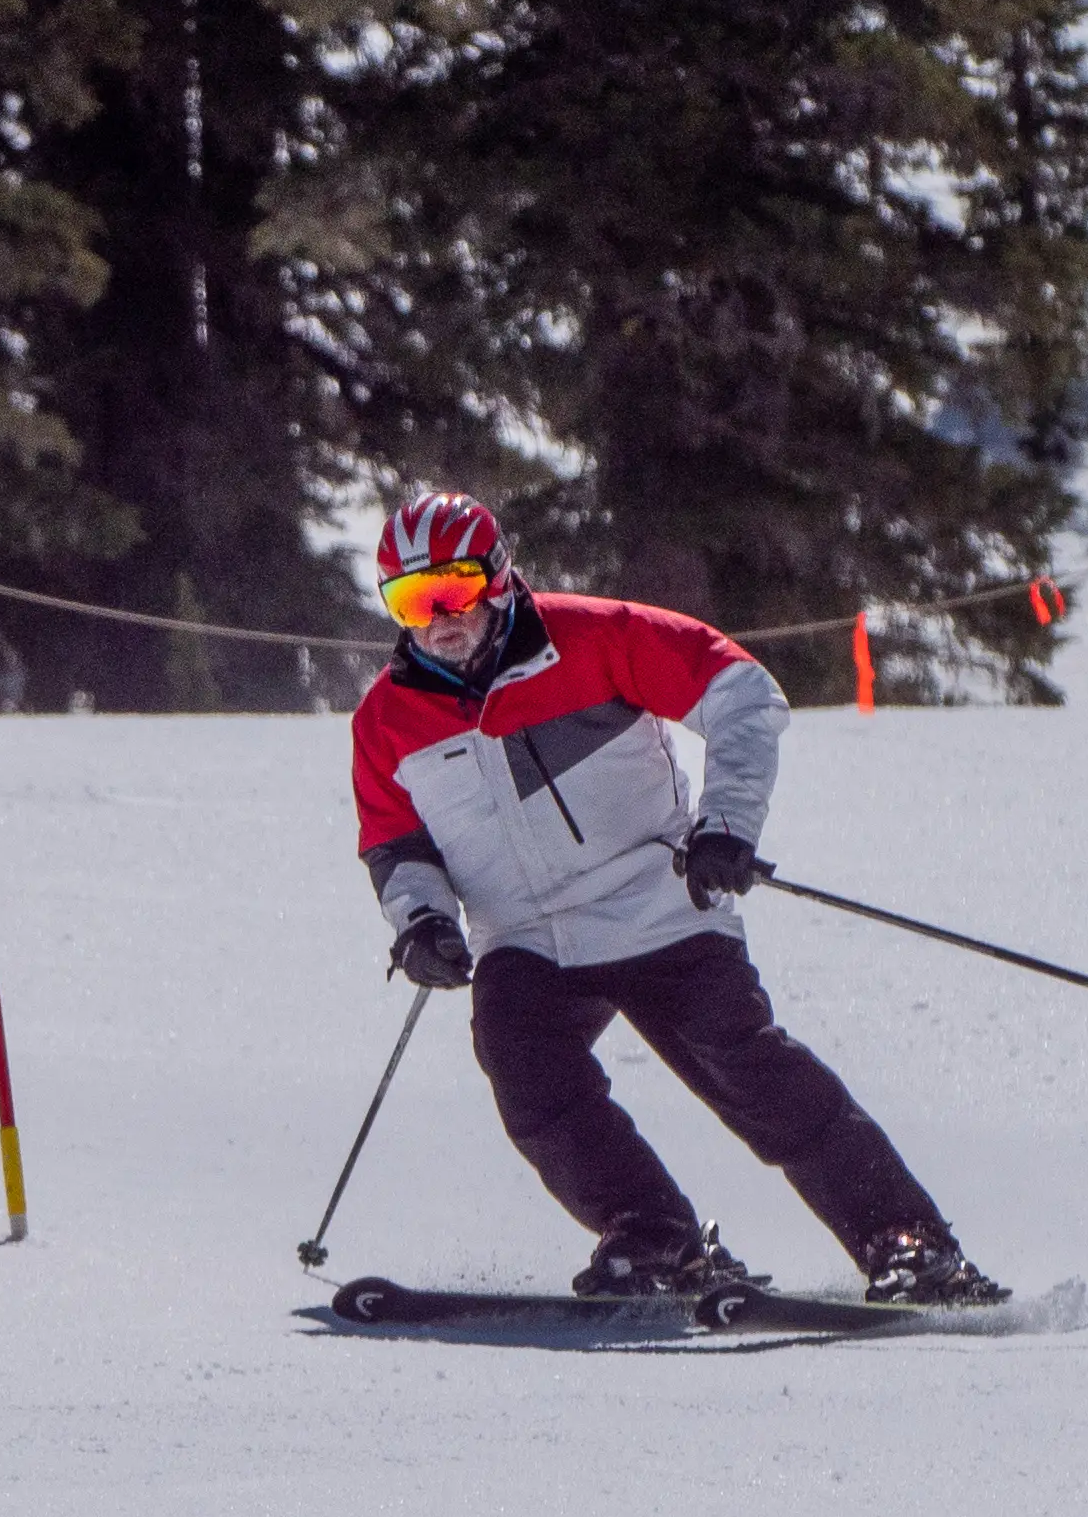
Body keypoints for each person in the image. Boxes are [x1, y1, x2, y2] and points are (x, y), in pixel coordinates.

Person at [346, 490, 1004, 1305]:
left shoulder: (594, 636)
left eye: (455, 589)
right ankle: (655, 1235)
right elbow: (395, 845)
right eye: (412, 600)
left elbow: (741, 692)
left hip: (655, 905)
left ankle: (909, 1243)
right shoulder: (386, 720)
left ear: (500, 575)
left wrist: (724, 824)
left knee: (751, 1071)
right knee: (523, 1068)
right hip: (526, 937)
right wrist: (420, 923)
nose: (440, 618)